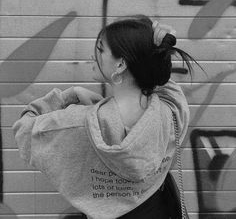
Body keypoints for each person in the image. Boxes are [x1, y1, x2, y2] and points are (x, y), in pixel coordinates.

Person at [12, 15, 197, 219]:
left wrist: (69, 95)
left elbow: (24, 128)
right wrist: (155, 47)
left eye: (100, 50)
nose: (93, 56)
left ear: (120, 65)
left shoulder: (78, 123)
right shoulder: (171, 111)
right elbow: (163, 79)